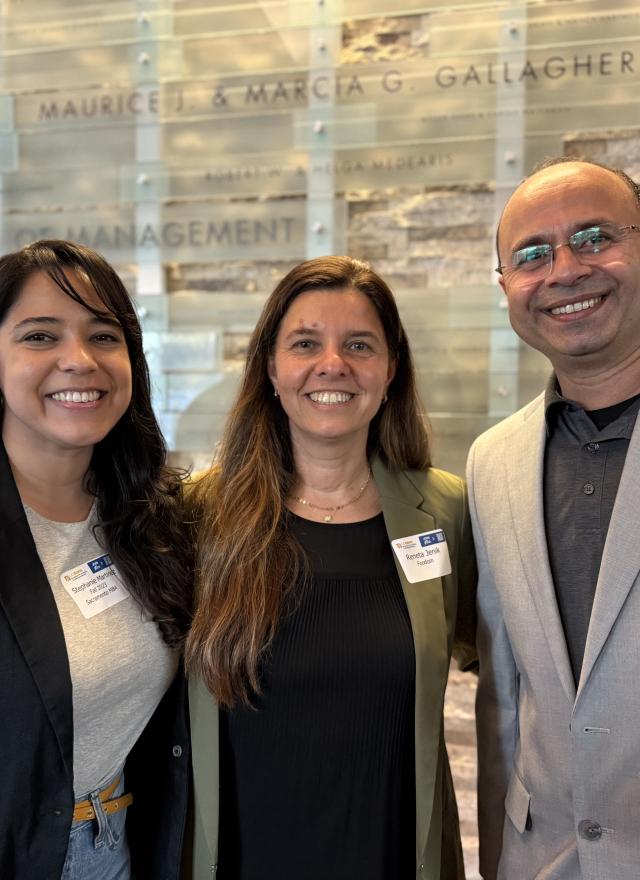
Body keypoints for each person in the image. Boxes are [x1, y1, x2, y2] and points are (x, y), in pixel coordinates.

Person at [185, 255, 477, 880]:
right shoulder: (198, 516)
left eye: (360, 345)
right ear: (270, 367)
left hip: (390, 855)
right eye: (305, 344)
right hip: (244, 857)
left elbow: (513, 672)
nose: (333, 364)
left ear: (391, 369)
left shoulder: (446, 511)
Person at [467, 157, 640, 879]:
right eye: (532, 256)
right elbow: (504, 695)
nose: (565, 270)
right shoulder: (492, 463)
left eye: (595, 237)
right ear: (507, 287)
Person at [0, 240, 192, 880]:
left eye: (103, 336)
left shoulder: (148, 513)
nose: (78, 361)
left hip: (117, 845)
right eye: (39, 335)